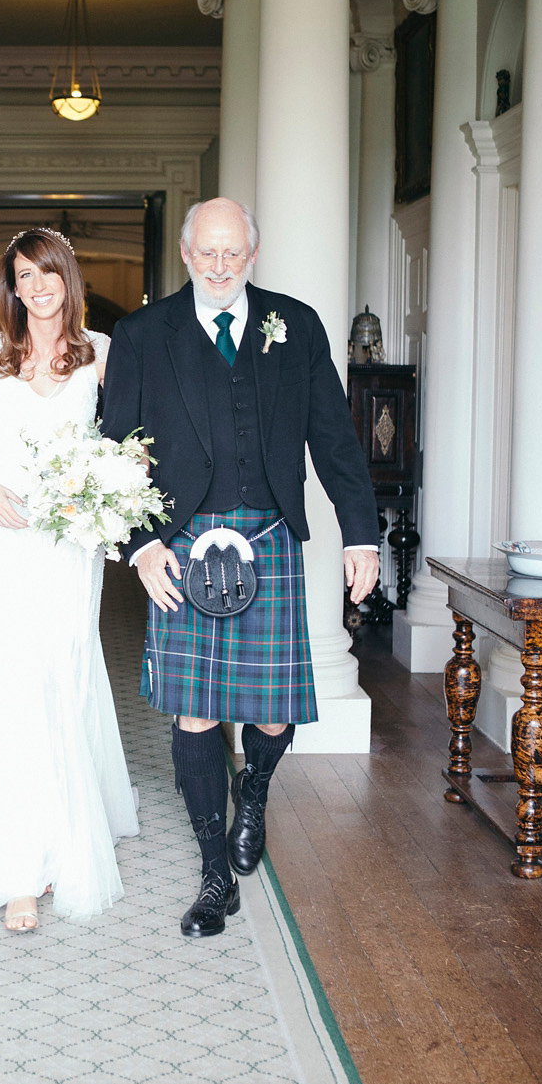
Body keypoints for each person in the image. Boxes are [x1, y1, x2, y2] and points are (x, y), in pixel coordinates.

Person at [101, 198, 379, 939]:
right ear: (185, 255)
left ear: (251, 256)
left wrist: (362, 534)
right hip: (183, 541)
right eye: (207, 253)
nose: (220, 267)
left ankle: (252, 790)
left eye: (234, 254)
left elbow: (334, 437)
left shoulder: (297, 325)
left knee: (272, 707)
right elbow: (114, 448)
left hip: (271, 537)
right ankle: (213, 873)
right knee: (196, 710)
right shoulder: (142, 333)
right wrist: (142, 542)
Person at [0, 227, 139, 931]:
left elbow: (142, 432)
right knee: (15, 680)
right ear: (11, 287)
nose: (37, 286)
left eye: (48, 273)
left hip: (73, 542)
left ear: (67, 279)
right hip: (9, 538)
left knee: (67, 671)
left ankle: (69, 826)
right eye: (24, 276)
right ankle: (21, 866)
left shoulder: (102, 353)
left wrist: (120, 487)